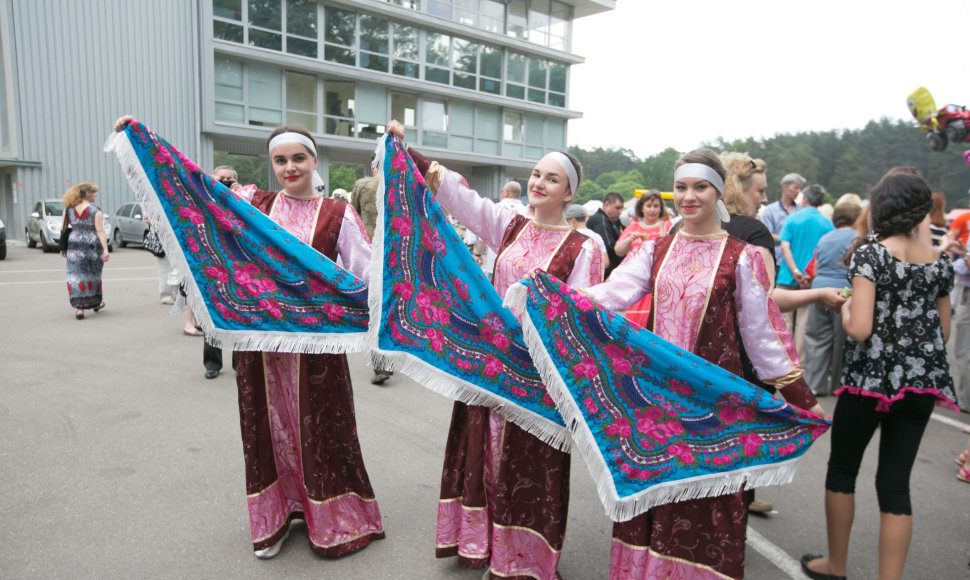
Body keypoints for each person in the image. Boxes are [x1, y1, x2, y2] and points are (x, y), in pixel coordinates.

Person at [114, 115, 384, 559]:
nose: (289, 167)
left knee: (320, 428)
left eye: (298, 158)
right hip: (258, 349)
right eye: (279, 160)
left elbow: (366, 275)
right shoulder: (253, 205)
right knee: (265, 427)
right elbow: (193, 189)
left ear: (314, 161)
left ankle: (331, 518)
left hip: (315, 350)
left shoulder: (338, 214)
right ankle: (274, 518)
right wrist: (144, 140)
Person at [584, 149, 822, 579]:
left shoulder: (742, 257)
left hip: (712, 409)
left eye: (700, 187)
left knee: (704, 505)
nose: (688, 197)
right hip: (655, 403)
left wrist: (801, 396)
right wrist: (550, 294)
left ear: (718, 192)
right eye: (681, 187)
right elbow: (611, 294)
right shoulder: (656, 250)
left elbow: (763, 336)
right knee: (654, 493)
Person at [386, 119, 602, 580]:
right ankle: (481, 543)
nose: (539, 183)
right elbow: (457, 197)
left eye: (552, 179)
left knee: (530, 465)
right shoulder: (508, 223)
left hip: (541, 374)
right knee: (482, 451)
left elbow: (585, 313)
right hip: (490, 362)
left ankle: (523, 558)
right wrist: (408, 150)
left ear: (569, 193)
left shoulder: (585, 247)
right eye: (537, 174)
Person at [801, 173, 957, 580]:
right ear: (922, 210)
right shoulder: (940, 260)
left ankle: (835, 565)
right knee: (895, 486)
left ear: (881, 207)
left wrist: (846, 309)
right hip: (921, 383)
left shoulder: (871, 255)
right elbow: (943, 331)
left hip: (869, 382)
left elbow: (860, 329)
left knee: (843, 470)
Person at [802, 202, 862, 396]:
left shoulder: (825, 238)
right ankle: (839, 385)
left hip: (819, 289)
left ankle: (814, 384)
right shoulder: (857, 238)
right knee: (843, 341)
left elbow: (816, 268)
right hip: (845, 292)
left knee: (816, 338)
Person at [351, 154, 395, 386]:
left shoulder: (362, 185)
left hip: (371, 254)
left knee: (376, 310)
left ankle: (381, 364)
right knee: (392, 308)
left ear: (372, 165)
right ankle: (391, 357)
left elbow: (353, 218)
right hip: (396, 256)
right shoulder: (401, 187)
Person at [777, 184, 835, 359]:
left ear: (805, 199)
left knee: (784, 320)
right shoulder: (827, 224)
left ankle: (782, 359)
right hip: (811, 280)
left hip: (788, 276)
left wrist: (794, 270)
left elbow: (784, 246)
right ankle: (798, 362)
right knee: (803, 324)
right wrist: (809, 274)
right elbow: (825, 251)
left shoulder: (792, 219)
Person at [203, 165, 243, 378]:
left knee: (241, 315)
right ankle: (212, 363)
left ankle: (241, 363)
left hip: (238, 264)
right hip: (211, 262)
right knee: (213, 314)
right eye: (221, 178)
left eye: (229, 178)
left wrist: (239, 194)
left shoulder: (242, 198)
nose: (225, 181)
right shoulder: (203, 196)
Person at [613, 190, 672, 327]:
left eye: (656, 206)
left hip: (657, 281)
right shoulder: (632, 227)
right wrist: (629, 240)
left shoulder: (667, 227)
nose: (652, 210)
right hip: (636, 281)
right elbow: (618, 251)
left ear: (660, 209)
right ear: (641, 208)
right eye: (648, 206)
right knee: (634, 323)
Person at [60, 182, 109, 319]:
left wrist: (63, 248)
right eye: (93, 193)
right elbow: (100, 230)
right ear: (87, 194)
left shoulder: (68, 210)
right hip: (91, 246)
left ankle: (79, 308)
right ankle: (96, 302)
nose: (95, 195)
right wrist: (105, 249)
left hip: (74, 244)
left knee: (75, 275)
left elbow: (63, 229)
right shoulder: (95, 211)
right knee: (92, 274)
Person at [476, 181, 527, 278]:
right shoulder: (527, 212)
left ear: (506, 192)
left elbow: (483, 236)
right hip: (518, 264)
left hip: (496, 260)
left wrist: (478, 254)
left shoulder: (495, 209)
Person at [761, 172, 805, 263]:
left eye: (800, 188)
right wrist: (790, 238)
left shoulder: (802, 210)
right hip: (777, 260)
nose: (798, 191)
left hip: (798, 261)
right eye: (795, 188)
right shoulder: (770, 211)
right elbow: (766, 235)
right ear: (784, 187)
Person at [586, 191, 625, 277]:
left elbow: (626, 232)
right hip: (604, 272)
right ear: (606, 205)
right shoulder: (600, 220)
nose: (620, 212)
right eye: (617, 208)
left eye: (621, 209)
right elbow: (610, 246)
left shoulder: (614, 220)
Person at [565, 203, 608, 276]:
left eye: (567, 220)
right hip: (594, 281)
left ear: (573, 220)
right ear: (585, 218)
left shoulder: (569, 237)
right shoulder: (597, 236)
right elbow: (606, 263)